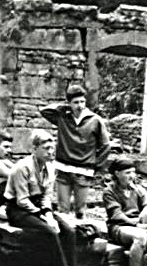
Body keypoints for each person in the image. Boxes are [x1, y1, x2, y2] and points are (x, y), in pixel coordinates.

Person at [4, 129, 94, 266]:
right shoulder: (22, 168)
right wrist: (44, 217)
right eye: (46, 148)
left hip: (38, 206)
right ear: (34, 148)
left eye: (52, 149)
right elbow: (22, 200)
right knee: (49, 233)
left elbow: (46, 195)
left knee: (68, 230)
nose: (51, 153)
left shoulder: (50, 167)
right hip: (18, 209)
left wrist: (48, 214)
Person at [40, 85, 111, 219]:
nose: (79, 105)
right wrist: (64, 108)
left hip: (83, 171)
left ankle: (81, 237)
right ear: (69, 103)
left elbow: (106, 146)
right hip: (63, 168)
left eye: (82, 101)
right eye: (75, 102)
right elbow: (45, 111)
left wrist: (96, 165)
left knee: (80, 211)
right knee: (63, 210)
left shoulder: (95, 120)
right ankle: (65, 238)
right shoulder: (62, 117)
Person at [102, 158, 147, 266]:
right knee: (140, 236)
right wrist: (137, 225)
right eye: (127, 173)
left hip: (139, 224)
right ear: (117, 174)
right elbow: (117, 215)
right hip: (119, 227)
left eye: (133, 172)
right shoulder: (109, 191)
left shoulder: (138, 190)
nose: (132, 176)